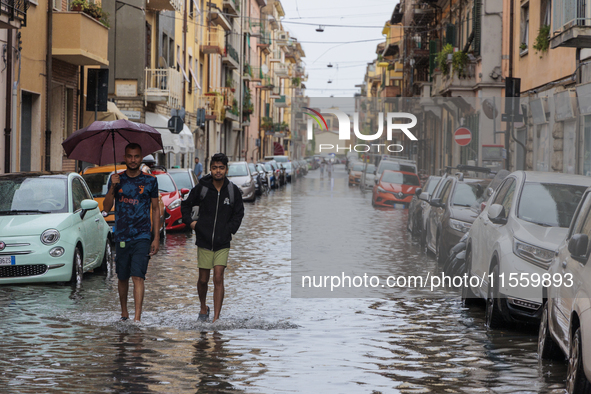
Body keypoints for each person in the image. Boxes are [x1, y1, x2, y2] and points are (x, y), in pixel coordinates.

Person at [181, 153, 244, 323]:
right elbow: (185, 205)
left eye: (221, 168)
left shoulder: (232, 190)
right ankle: (203, 306)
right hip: (204, 240)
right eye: (215, 167)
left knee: (218, 277)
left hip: (223, 242)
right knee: (203, 279)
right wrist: (192, 224)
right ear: (210, 169)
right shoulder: (202, 188)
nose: (218, 171)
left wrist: (229, 230)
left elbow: (239, 212)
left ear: (226, 169)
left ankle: (216, 318)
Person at [103, 143, 161, 322]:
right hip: (121, 235)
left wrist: (156, 236)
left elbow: (155, 208)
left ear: (141, 157)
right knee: (122, 276)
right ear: (125, 157)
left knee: (138, 275)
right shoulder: (116, 179)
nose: (133, 160)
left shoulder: (150, 181)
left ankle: (137, 318)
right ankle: (124, 312)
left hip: (142, 235)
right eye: (129, 156)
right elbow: (105, 208)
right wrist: (113, 187)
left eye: (136, 156)